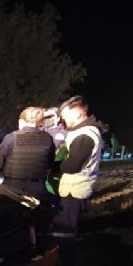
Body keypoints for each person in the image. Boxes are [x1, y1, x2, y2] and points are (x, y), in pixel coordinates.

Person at [50, 96, 106, 246]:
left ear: (77, 114)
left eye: (65, 117)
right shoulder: (82, 131)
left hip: (74, 190)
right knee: (65, 226)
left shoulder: (85, 135)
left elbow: (72, 166)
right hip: (72, 188)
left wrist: (52, 166)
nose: (63, 120)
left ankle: (63, 258)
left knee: (64, 230)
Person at [0, 107, 55, 198]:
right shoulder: (48, 138)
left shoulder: (11, 137)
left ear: (22, 121)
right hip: (37, 188)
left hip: (13, 187)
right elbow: (50, 163)